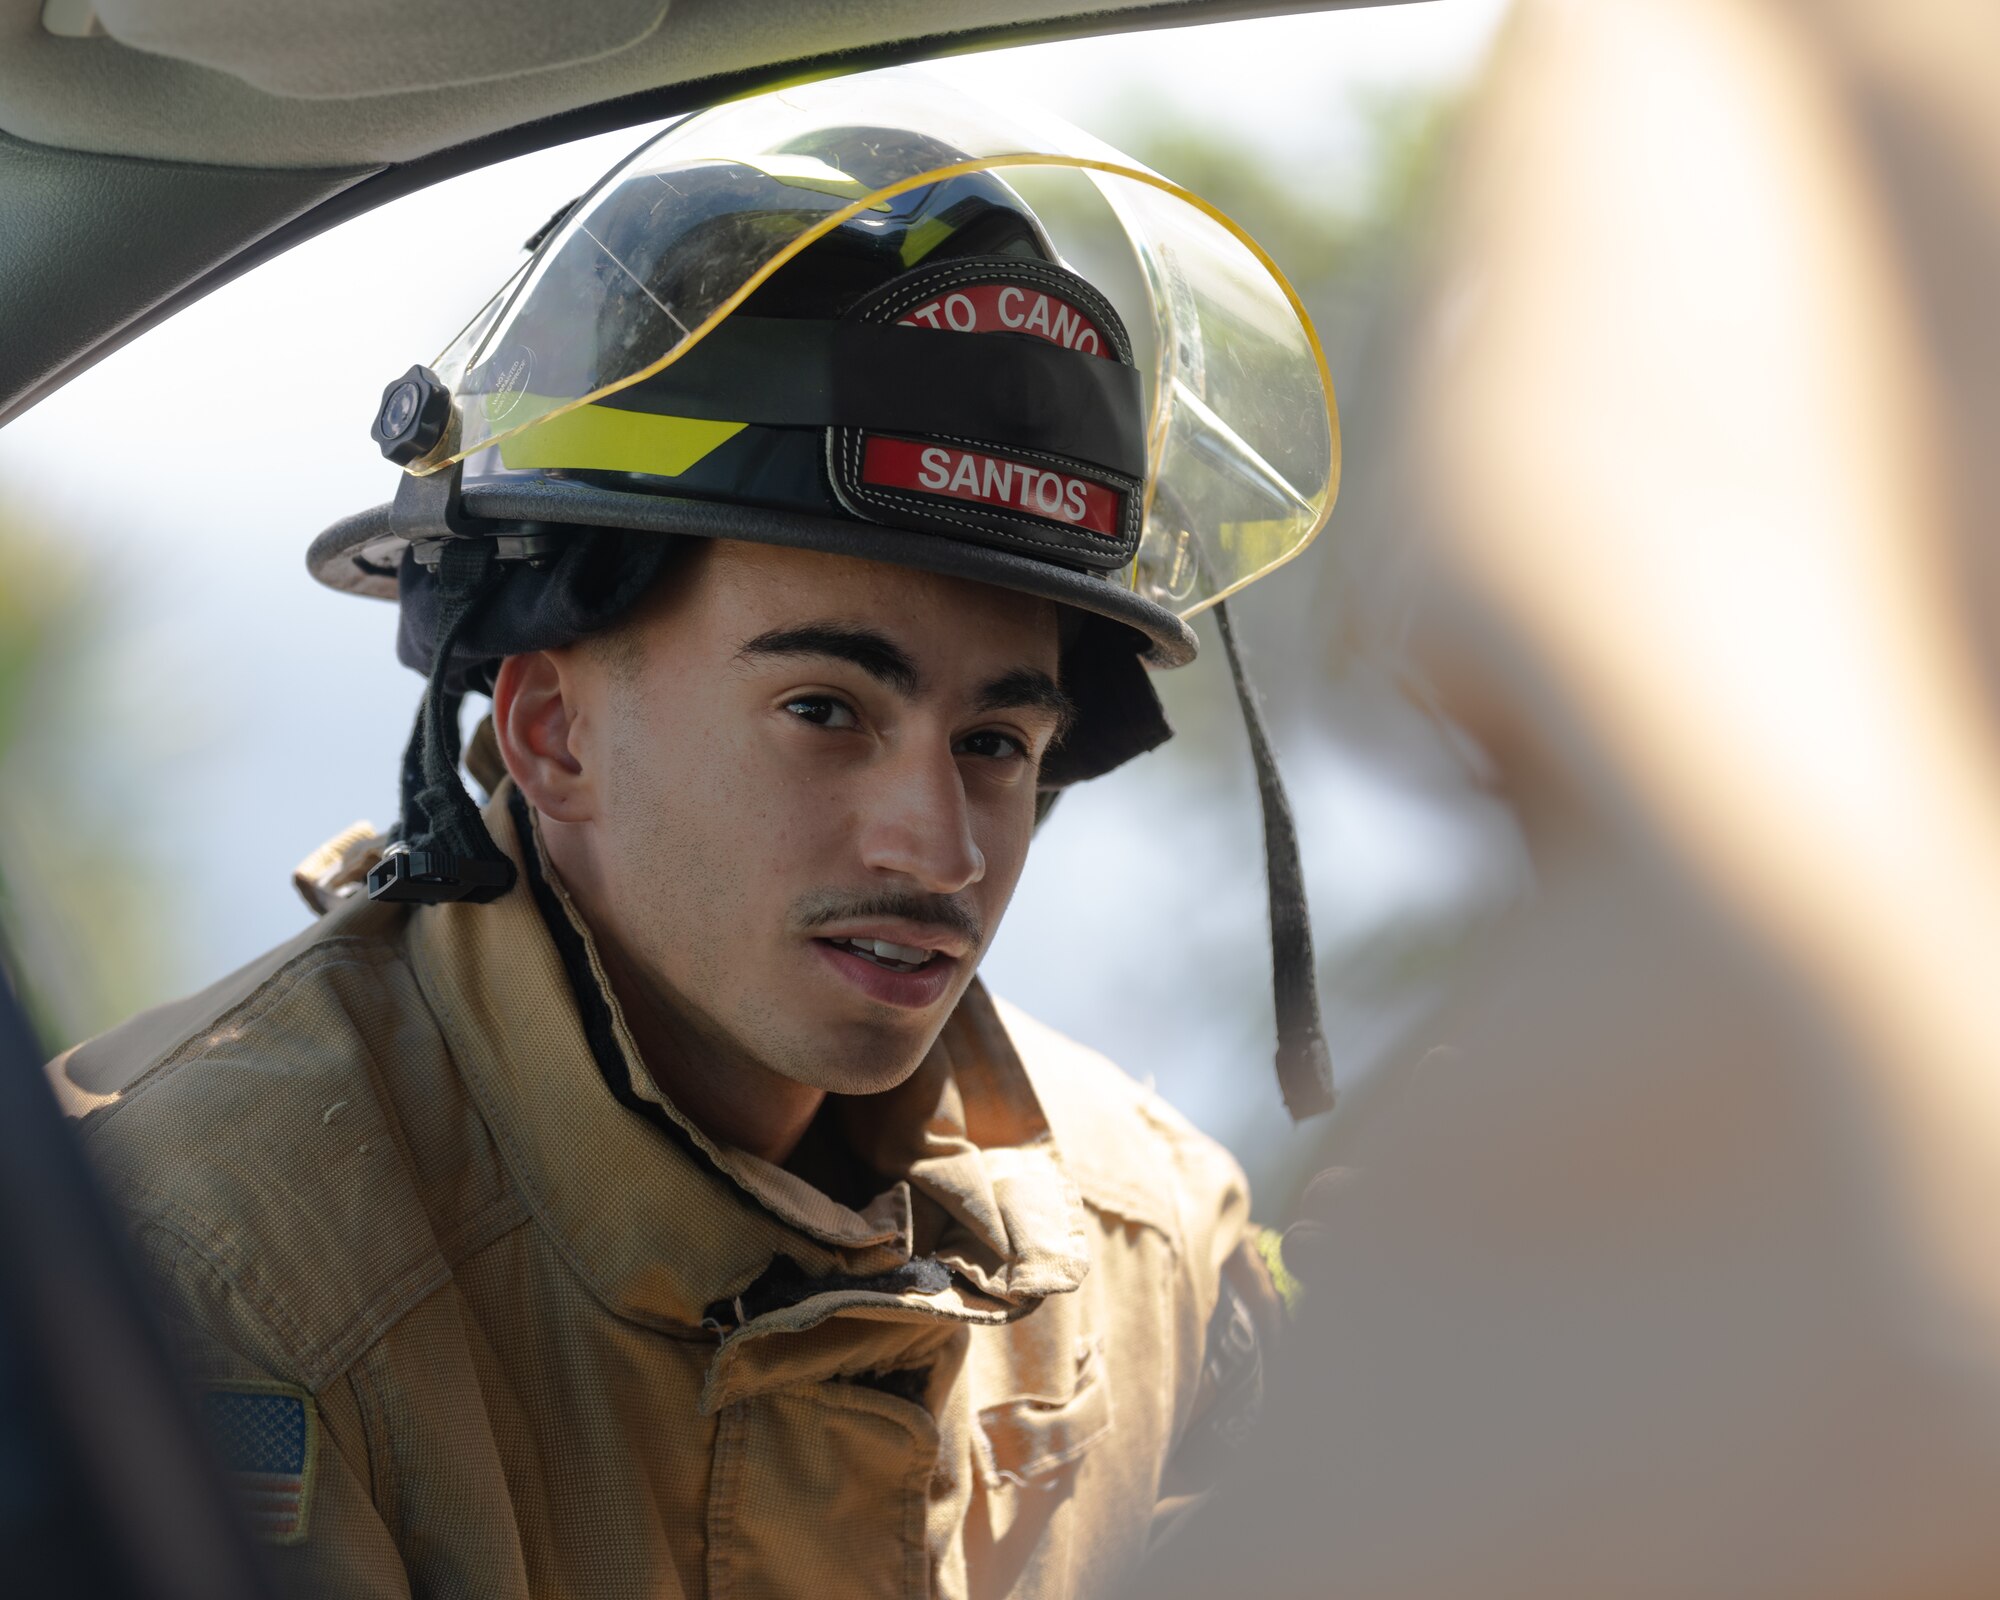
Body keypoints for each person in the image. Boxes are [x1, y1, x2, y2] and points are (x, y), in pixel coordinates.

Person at [49, 73, 1336, 1599]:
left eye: (996, 742)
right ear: (552, 730)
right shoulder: (191, 1267)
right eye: (826, 710)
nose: (940, 846)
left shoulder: (1151, 1250)